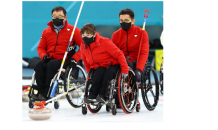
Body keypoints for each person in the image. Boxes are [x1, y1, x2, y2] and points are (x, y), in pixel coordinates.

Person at [32, 6, 83, 100]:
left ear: (65, 17)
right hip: (50, 58)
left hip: (66, 60)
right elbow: (41, 47)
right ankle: (40, 91)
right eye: (54, 16)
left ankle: (47, 93)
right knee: (39, 65)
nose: (57, 18)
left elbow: (84, 47)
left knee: (51, 65)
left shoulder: (74, 30)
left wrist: (75, 58)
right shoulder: (46, 31)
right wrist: (44, 56)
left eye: (60, 16)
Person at [80, 23, 129, 103]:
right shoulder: (83, 46)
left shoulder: (104, 42)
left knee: (108, 73)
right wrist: (89, 74)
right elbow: (85, 62)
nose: (85, 37)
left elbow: (119, 54)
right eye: (83, 34)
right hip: (99, 67)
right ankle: (92, 95)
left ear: (94, 34)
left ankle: (102, 95)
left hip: (113, 65)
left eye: (88, 34)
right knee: (99, 72)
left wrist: (125, 69)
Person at [111, 8, 149, 83]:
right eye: (121, 20)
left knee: (128, 66)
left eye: (126, 20)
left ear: (133, 21)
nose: (123, 22)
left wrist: (139, 69)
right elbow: (112, 53)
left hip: (135, 61)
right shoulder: (115, 35)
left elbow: (144, 53)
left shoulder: (142, 33)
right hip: (121, 61)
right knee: (109, 70)